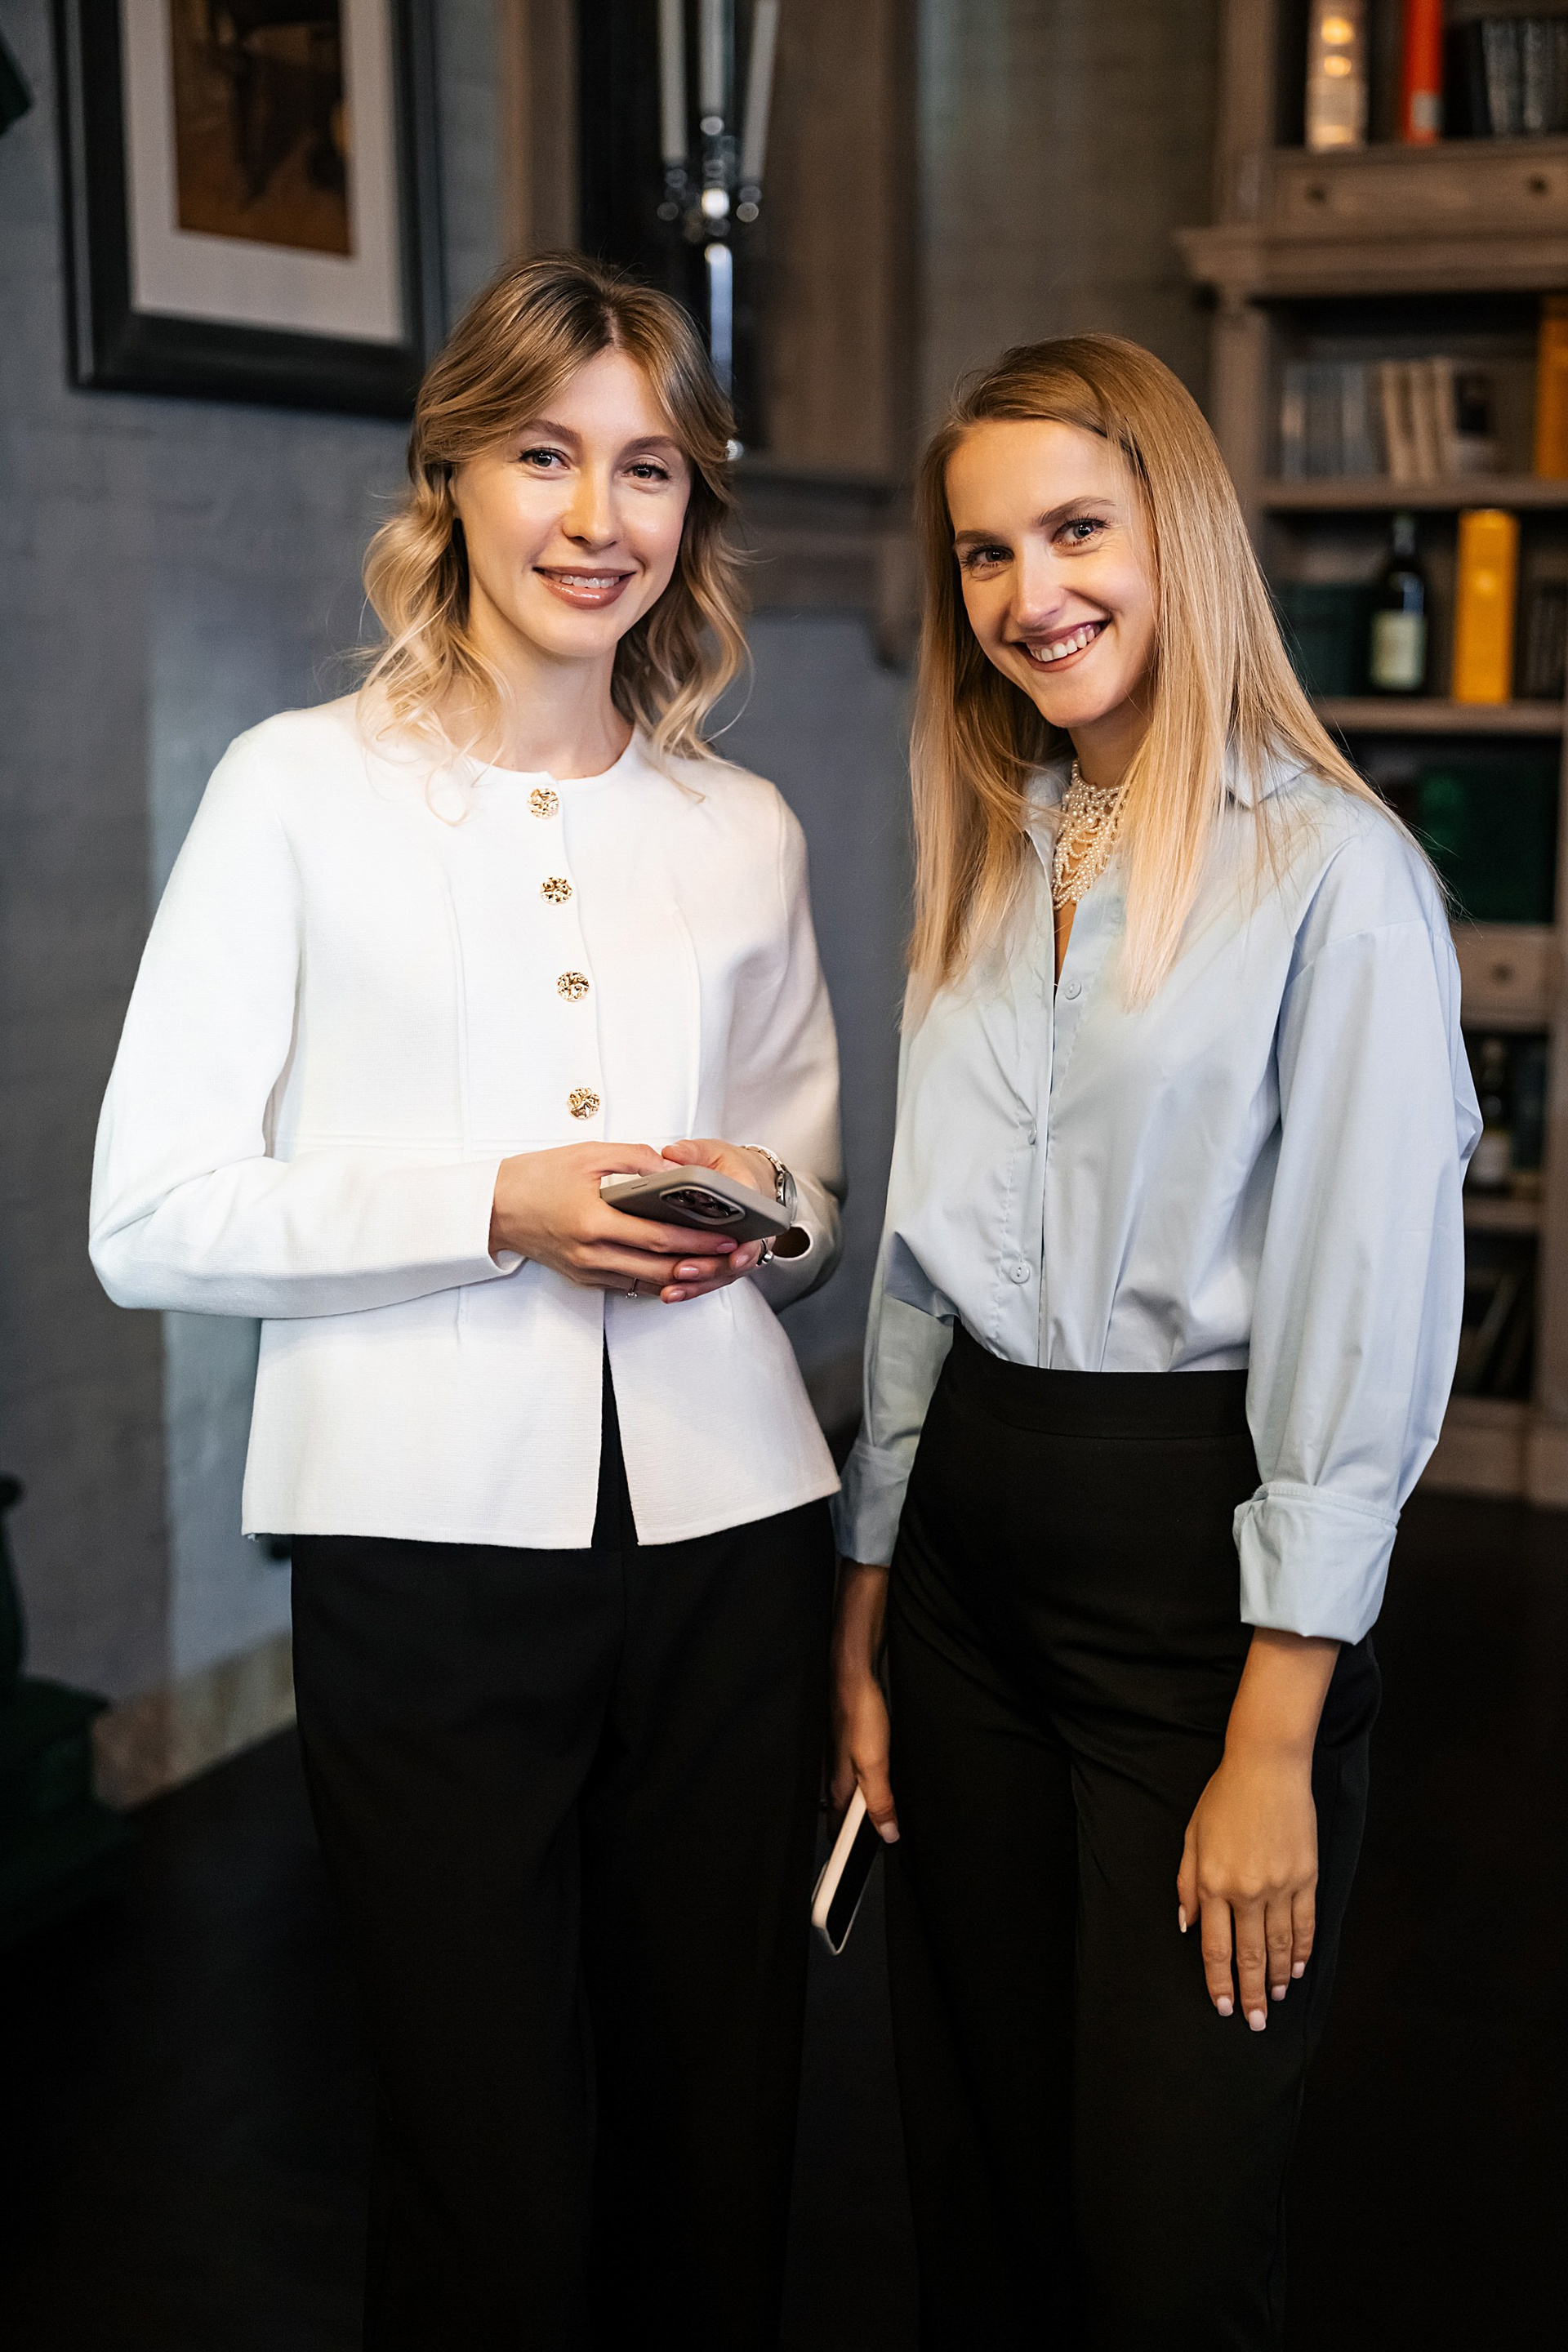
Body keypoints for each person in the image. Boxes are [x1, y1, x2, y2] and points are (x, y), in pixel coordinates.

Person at [90, 255, 844, 2351]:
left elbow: (811, 1183)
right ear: (452, 475)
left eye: (649, 468)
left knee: (721, 2118)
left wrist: (751, 1210)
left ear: (692, 506)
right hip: (420, 1558)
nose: (599, 518)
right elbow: (151, 1216)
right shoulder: (291, 789)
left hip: (731, 1539)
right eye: (544, 456)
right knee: (476, 2148)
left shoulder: (746, 828)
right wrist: (496, 1205)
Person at [830, 336, 1478, 2349]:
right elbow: (925, 1252)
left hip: (1200, 1579)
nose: (1031, 594)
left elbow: (1365, 1303)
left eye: (1076, 530)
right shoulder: (990, 847)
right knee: (984, 2169)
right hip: (964, 1562)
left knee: (1168, 2237)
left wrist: (1277, 1733)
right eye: (985, 553)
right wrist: (869, 1596)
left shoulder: (1339, 877)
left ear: (1177, 530)